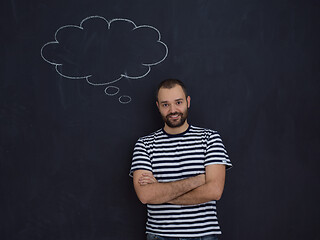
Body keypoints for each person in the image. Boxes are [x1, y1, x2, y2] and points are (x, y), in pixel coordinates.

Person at [130, 79, 232, 240]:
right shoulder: (144, 145)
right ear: (158, 106)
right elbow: (145, 195)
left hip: (204, 235)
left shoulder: (210, 139)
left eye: (178, 102)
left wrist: (161, 192)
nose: (173, 110)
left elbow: (214, 191)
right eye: (165, 104)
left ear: (188, 101)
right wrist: (197, 181)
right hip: (160, 236)